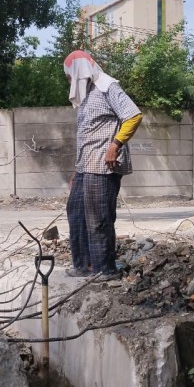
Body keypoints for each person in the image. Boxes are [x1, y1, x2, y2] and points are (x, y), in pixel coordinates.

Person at [64, 50, 143, 279]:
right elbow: (88, 135)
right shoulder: (86, 95)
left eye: (70, 74)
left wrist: (115, 145)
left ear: (78, 71)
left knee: (98, 218)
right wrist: (75, 169)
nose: (69, 79)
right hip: (85, 166)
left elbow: (133, 116)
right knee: (76, 213)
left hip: (103, 166)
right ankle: (83, 265)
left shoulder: (107, 87)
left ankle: (103, 269)